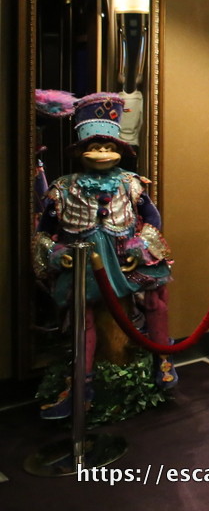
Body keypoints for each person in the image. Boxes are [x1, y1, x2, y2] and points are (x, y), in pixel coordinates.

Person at [32, 92, 176, 419]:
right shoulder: (64, 188)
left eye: (108, 147)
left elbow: (152, 219)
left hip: (125, 257)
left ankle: (163, 360)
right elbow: (44, 229)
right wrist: (56, 253)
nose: (101, 153)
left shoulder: (131, 183)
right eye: (95, 147)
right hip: (83, 262)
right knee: (81, 318)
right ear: (80, 151)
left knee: (156, 298)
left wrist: (139, 247)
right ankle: (81, 386)